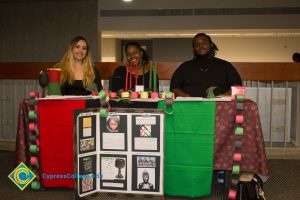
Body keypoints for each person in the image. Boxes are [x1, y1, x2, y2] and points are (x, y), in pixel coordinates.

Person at [170, 33, 242, 98]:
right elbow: (174, 88)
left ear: (211, 45)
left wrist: (223, 97)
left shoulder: (225, 65)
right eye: (197, 45)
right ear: (194, 48)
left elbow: (237, 87)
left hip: (220, 105)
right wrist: (186, 97)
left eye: (204, 43)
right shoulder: (184, 67)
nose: (200, 46)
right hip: (189, 105)